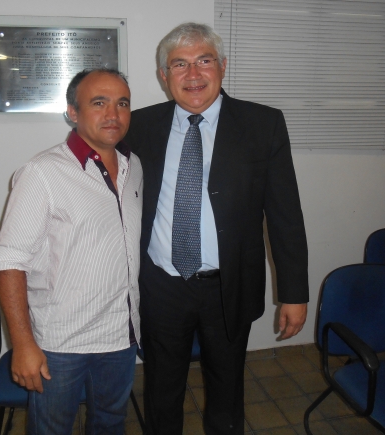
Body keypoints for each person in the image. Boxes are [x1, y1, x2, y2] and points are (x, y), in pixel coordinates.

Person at [124, 23, 309, 435]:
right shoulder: (140, 125)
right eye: (180, 64)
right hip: (161, 285)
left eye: (204, 61)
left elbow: (285, 215)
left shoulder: (263, 124)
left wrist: (294, 293)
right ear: (164, 75)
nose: (193, 74)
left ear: (223, 66)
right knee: (161, 389)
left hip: (228, 287)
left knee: (227, 391)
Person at [0, 69, 143, 435]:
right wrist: (22, 345)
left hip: (121, 335)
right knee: (51, 430)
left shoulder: (134, 166)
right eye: (99, 103)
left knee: (110, 423)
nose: (113, 114)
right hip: (61, 344)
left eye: (122, 103)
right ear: (73, 112)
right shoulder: (42, 172)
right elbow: (9, 261)